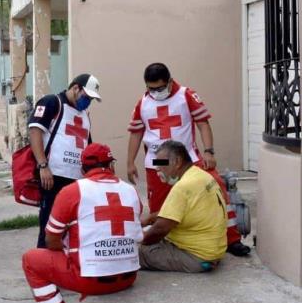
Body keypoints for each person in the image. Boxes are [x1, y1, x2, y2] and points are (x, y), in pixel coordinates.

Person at [126, 62, 250, 256]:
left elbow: (203, 124)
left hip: (186, 159)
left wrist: (209, 152)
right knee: (161, 205)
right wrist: (130, 162)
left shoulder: (186, 95)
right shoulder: (143, 102)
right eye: (151, 88)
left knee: (216, 188)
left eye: (159, 87)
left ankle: (231, 238)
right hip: (158, 161)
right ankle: (168, 241)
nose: (155, 92)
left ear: (169, 81)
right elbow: (136, 133)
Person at [22, 143, 142, 303]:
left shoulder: (72, 191)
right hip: (128, 278)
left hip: (90, 281)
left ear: (82, 170)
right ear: (111, 166)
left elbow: (51, 240)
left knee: (31, 259)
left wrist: (69, 250)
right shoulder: (132, 191)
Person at [27, 73, 101, 248]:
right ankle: (44, 265)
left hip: (78, 180)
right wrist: (43, 165)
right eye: (87, 96)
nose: (88, 101)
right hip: (54, 177)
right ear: (76, 88)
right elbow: (35, 132)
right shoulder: (52, 102)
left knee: (73, 225)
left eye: (91, 99)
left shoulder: (84, 115)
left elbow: (86, 146)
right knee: (50, 224)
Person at [140, 141, 227, 272]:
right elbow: (180, 210)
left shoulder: (183, 187)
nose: (157, 169)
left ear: (178, 161)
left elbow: (159, 230)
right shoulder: (201, 175)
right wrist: (149, 219)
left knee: (131, 252)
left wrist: (139, 238)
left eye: (161, 163)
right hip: (214, 250)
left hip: (196, 256)